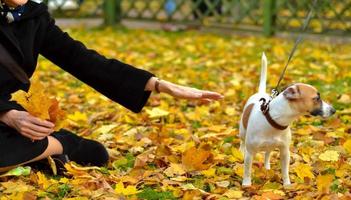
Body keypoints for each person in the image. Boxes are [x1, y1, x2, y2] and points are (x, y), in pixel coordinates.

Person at [0, 0, 223, 172]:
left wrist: (158, 85)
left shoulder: (32, 16)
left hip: (11, 114)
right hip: (4, 112)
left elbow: (82, 59)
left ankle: (61, 145)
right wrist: (7, 114)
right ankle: (39, 153)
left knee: (94, 154)